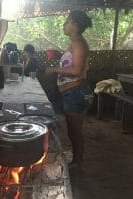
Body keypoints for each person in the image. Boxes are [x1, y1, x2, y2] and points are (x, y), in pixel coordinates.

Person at [45, 10, 94, 168]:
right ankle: (76, 159)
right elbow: (74, 65)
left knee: (75, 132)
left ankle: (77, 162)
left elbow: (77, 70)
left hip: (77, 93)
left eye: (67, 22)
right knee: (72, 131)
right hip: (72, 93)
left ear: (75, 24)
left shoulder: (79, 43)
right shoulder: (75, 43)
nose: (64, 25)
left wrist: (54, 70)